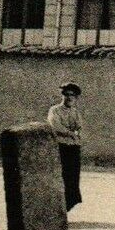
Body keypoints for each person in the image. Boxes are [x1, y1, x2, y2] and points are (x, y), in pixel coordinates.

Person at [46, 82, 84, 210]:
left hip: (73, 148)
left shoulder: (75, 112)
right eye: (67, 94)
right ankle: (56, 208)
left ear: (76, 98)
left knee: (73, 178)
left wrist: (77, 134)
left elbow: (79, 127)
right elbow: (55, 126)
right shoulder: (55, 110)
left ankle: (68, 205)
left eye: (72, 95)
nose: (69, 98)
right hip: (60, 147)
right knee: (60, 177)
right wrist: (70, 133)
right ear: (62, 96)